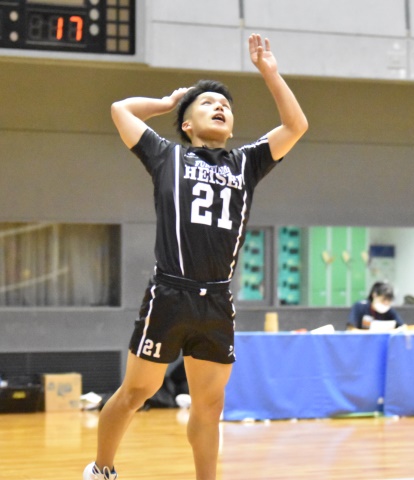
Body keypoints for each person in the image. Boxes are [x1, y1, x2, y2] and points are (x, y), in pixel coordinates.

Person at [83, 34, 308, 480]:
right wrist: (167, 103)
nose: (219, 107)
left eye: (225, 105)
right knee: (136, 393)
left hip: (216, 301)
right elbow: (120, 110)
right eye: (207, 103)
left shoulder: (246, 163)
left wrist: (270, 73)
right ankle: (101, 469)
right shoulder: (166, 156)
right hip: (170, 294)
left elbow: (295, 125)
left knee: (210, 406)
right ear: (187, 124)